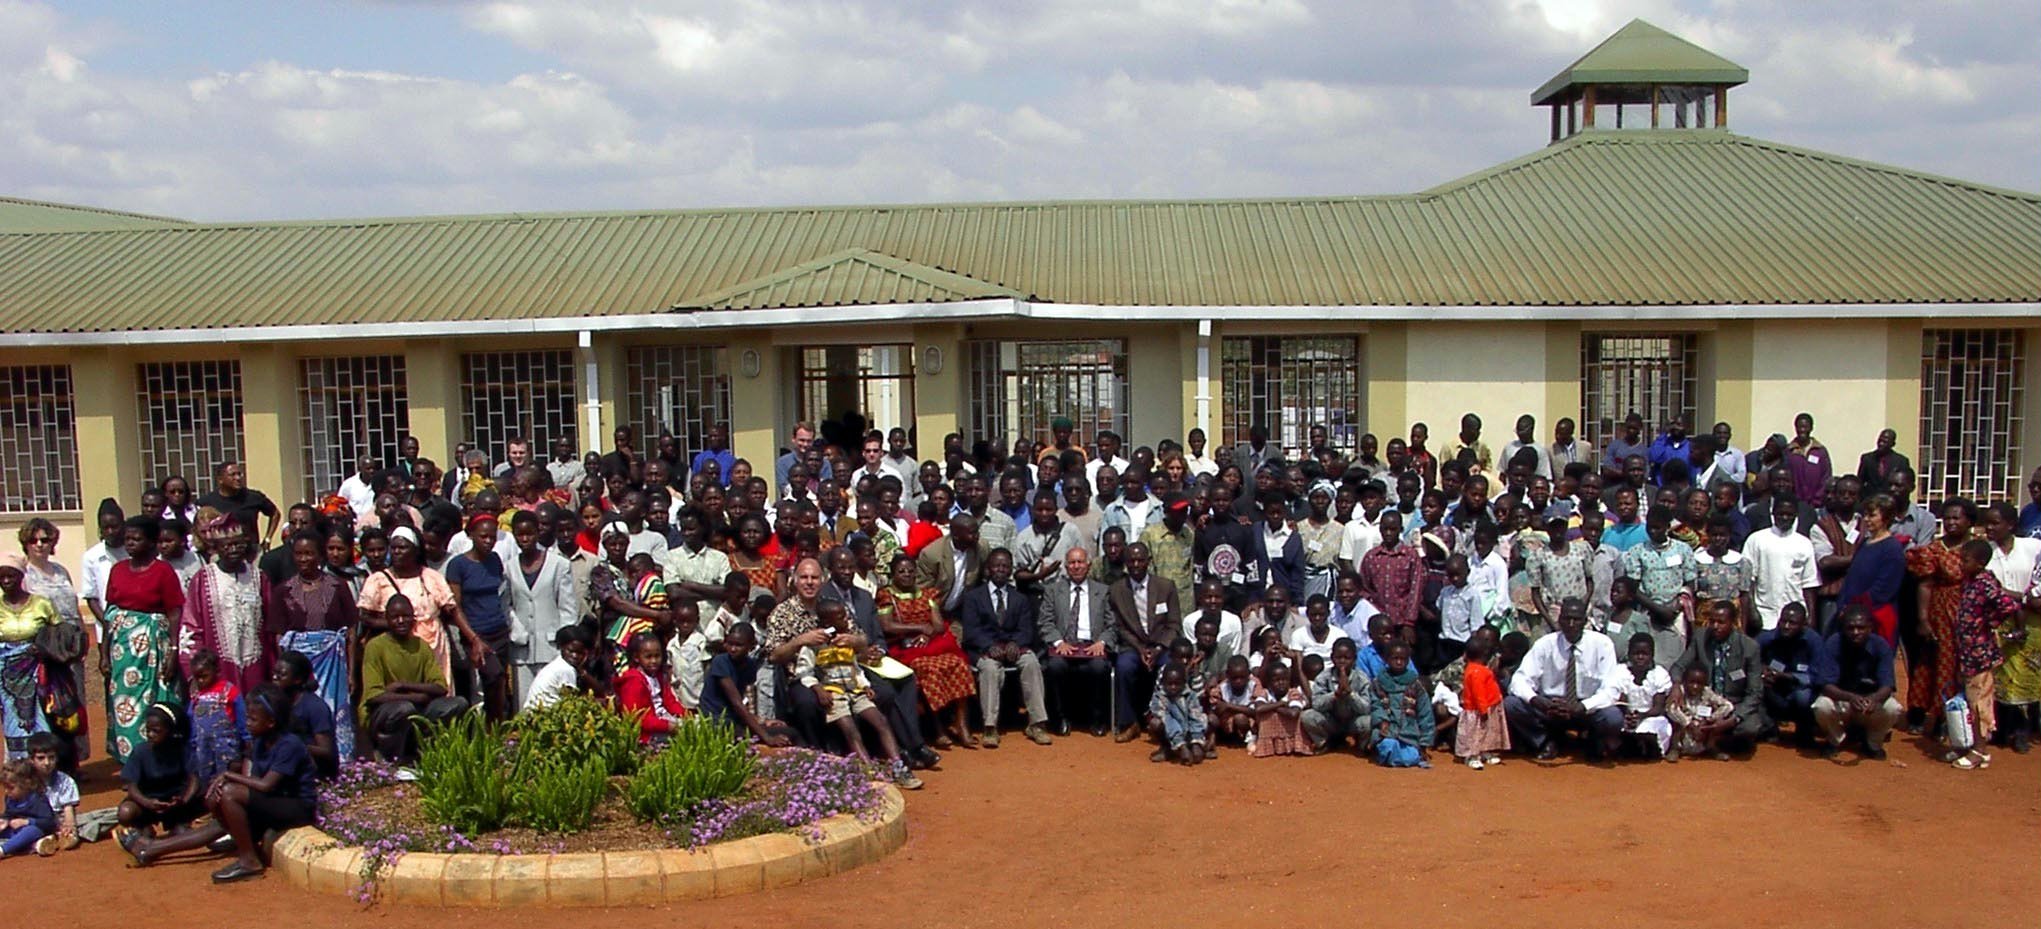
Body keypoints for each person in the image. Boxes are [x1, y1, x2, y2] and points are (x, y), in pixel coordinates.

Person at [125, 684, 318, 883]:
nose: (248, 723)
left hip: (297, 808)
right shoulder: (261, 740)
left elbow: (265, 785)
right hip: (273, 803)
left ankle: (249, 861)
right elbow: (254, 780)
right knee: (218, 804)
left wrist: (227, 776)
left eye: (252, 719)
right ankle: (150, 849)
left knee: (230, 794)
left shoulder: (289, 744)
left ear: (271, 722)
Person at [793, 600, 922, 788]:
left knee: (881, 721)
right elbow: (804, 672)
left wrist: (865, 684)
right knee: (850, 729)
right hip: (833, 693)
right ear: (825, 621)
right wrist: (818, 688)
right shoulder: (813, 645)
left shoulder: (847, 640)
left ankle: (898, 767)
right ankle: (869, 772)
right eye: (840, 617)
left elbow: (855, 667)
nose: (846, 620)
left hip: (855, 690)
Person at [102, 515, 185, 763]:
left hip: (152, 649)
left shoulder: (163, 571)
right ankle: (130, 763)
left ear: (151, 542)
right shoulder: (117, 570)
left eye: (136, 539)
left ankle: (155, 762)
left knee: (153, 705)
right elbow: (110, 614)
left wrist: (172, 651)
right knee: (123, 705)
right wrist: (105, 653)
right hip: (122, 652)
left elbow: (174, 613)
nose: (130, 543)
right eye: (127, 539)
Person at [875, 552, 977, 749]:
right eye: (901, 571)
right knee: (928, 670)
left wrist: (927, 635)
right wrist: (919, 628)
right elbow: (887, 626)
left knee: (959, 664)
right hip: (903, 647)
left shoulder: (927, 593)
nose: (907, 575)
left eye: (910, 571)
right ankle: (937, 728)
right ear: (893, 574)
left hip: (929, 643)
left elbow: (937, 624)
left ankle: (961, 724)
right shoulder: (887, 595)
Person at [1505, 599, 1623, 761]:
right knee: (1512, 704)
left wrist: (1581, 706)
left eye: (1577, 619)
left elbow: (1611, 690)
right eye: (1567, 619)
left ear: (1585, 621)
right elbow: (1519, 680)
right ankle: (1545, 741)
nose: (1571, 624)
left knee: (1613, 716)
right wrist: (1538, 701)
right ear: (1559, 620)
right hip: (1550, 706)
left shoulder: (1602, 644)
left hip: (1586, 708)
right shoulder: (1545, 644)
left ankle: (1593, 742)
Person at [358, 594, 467, 764]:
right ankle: (392, 758)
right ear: (387, 619)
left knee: (457, 703)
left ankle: (425, 752)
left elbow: (440, 687)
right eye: (395, 617)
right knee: (404, 709)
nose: (401, 621)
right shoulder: (376, 647)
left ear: (413, 618)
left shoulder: (420, 646)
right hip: (385, 713)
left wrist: (402, 685)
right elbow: (374, 695)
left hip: (418, 708)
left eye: (406, 616)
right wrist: (416, 696)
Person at [960, 550, 1049, 747]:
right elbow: (971, 631)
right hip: (985, 650)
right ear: (988, 569)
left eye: (1005, 566)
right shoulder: (974, 597)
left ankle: (1037, 723)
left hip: (1013, 648)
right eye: (997, 566)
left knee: (1031, 662)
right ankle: (990, 727)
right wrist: (989, 646)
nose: (1001, 569)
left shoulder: (1019, 598)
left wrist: (1015, 643)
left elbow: (1027, 630)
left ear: (1010, 570)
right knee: (990, 669)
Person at [1949, 539, 2019, 769]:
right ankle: (1972, 745)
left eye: (1965, 561)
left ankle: (1980, 750)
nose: (1960, 564)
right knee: (1970, 700)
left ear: (1979, 563)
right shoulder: (1970, 582)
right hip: (1968, 652)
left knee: (1980, 703)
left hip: (1981, 654)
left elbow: (2010, 606)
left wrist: (2002, 625)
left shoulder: (1984, 584)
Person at [1037, 547, 1115, 736]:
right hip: (1065, 645)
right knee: (1055, 666)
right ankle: (1060, 718)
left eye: (1080, 562)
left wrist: (1102, 643)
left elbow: (1112, 624)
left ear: (1088, 565)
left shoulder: (1103, 591)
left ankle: (1097, 719)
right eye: (1072, 562)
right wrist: (1058, 642)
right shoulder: (1053, 591)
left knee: (1099, 667)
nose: (1076, 566)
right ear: (1066, 566)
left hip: (1092, 645)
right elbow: (1044, 622)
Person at [1107, 542, 1181, 743]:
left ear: (1149, 561)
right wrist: (1140, 649)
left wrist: (1157, 649)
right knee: (1124, 666)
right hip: (1132, 646)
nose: (1136, 564)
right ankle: (1129, 723)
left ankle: (1166, 721)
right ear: (1125, 563)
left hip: (1161, 646)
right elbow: (1119, 627)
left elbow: (1174, 625)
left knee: (1169, 667)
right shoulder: (1116, 590)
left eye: (1141, 560)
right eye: (1131, 561)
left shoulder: (1166, 587)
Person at [1810, 606, 1900, 760]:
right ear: (1843, 628)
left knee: (1893, 708)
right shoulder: (1834, 643)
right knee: (1821, 706)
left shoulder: (1881, 646)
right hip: (1842, 702)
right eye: (1850, 628)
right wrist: (1850, 697)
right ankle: (1836, 740)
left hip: (1869, 704)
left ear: (1870, 628)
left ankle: (1872, 744)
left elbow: (1888, 685)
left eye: (1861, 627)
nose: (1855, 632)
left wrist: (1874, 699)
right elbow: (1825, 685)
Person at [0, 553, 60, 761]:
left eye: (11, 576)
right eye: (2, 577)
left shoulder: (41, 603)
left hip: (38, 671)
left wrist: (42, 648)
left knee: (42, 716)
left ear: (21, 576)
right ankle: (20, 767)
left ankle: (44, 765)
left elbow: (58, 633)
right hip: (5, 675)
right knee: (12, 718)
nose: (6, 581)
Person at [1743, 496, 1819, 632]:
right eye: (1781, 514)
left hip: (1795, 616)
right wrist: (1752, 611)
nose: (1784, 518)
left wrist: (1811, 616)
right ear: (1773, 513)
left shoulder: (1804, 543)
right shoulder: (1756, 540)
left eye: (1789, 515)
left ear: (1796, 515)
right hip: (1765, 615)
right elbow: (1748, 581)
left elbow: (1809, 584)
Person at [1756, 603, 1822, 741]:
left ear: (1804, 625)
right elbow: (1750, 660)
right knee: (1756, 687)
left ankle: (1805, 731)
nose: (1786, 626)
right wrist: (1762, 669)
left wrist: (1787, 677)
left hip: (1799, 689)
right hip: (1774, 688)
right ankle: (1769, 728)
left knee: (1803, 696)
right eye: (1783, 621)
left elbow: (1818, 676)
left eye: (1792, 623)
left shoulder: (1814, 641)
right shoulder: (1767, 638)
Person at [614, 632, 692, 746]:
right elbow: (636, 717)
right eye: (648, 657)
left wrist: (685, 715)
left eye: (657, 656)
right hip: (647, 731)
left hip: (663, 719)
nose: (654, 661)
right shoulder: (633, 681)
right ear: (637, 658)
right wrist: (668, 726)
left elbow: (669, 701)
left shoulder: (658, 675)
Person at [1301, 637, 1371, 755]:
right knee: (1307, 716)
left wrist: (1351, 694)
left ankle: (1361, 745)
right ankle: (1325, 742)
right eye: (1339, 657)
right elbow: (1316, 704)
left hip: (1353, 722)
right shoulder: (1323, 677)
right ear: (1332, 658)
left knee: (1368, 722)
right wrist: (1335, 695)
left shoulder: (1361, 678)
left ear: (1354, 659)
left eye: (1347, 658)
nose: (1342, 661)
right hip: (1332, 721)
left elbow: (1367, 708)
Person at [1610, 633, 1674, 759]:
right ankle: (1634, 746)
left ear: (1652, 655)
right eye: (1636, 654)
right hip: (1627, 716)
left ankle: (1646, 747)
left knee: (1655, 725)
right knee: (1617, 725)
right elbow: (1621, 702)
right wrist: (1629, 717)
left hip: (1650, 716)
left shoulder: (1659, 674)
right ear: (1629, 654)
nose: (1640, 657)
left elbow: (1658, 707)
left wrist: (1641, 716)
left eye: (1645, 654)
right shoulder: (1621, 672)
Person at [1371, 641, 1434, 768]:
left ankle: (1398, 758)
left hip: (1410, 735)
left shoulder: (1415, 684)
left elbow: (1425, 714)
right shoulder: (1378, 683)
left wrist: (1424, 743)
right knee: (1387, 746)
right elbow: (1375, 704)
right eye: (1395, 658)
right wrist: (1382, 721)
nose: (1399, 662)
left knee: (1411, 755)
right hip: (1387, 733)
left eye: (1403, 659)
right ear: (1386, 659)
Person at [1453, 632, 1509, 769]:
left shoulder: (1480, 669)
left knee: (1487, 733)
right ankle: (1471, 756)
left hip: (1489, 706)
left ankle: (1485, 752)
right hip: (1478, 709)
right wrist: (1483, 709)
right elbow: (1478, 693)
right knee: (1474, 734)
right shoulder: (1476, 672)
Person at [195, 461, 282, 548]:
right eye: (232, 475)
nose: (237, 478)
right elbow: (197, 527)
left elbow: (275, 514)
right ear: (220, 479)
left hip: (251, 551)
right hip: (222, 552)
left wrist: (268, 538)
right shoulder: (206, 502)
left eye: (239, 474)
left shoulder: (253, 497)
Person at [1666, 665, 1737, 761]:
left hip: (1703, 729)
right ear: (1684, 681)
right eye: (1691, 682)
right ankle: (1675, 749)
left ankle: (1711, 749)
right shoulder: (1680, 693)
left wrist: (1710, 720)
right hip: (1685, 728)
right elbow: (1671, 709)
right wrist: (1689, 725)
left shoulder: (1707, 693)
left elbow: (1728, 706)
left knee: (1715, 726)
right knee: (1675, 723)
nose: (1695, 686)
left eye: (1699, 683)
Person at [522, 625, 597, 712]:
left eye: (580, 653)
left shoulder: (559, 663)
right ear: (561, 647)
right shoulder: (566, 669)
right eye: (571, 651)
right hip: (543, 714)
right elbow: (570, 703)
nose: (575, 656)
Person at [1249, 660, 1310, 757]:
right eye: (1276, 680)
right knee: (1264, 715)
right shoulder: (1266, 693)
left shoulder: (1293, 693)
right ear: (1269, 682)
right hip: (1273, 723)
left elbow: (1293, 714)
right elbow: (1258, 709)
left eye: (1284, 679)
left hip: (1291, 729)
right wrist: (1280, 704)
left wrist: (1272, 707)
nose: (1281, 683)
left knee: (1270, 713)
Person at [1148, 664, 1205, 765]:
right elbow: (1168, 721)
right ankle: (1166, 749)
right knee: (1155, 723)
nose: (1173, 687)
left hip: (1189, 733)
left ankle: (1200, 747)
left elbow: (1195, 719)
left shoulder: (1190, 696)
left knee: (1205, 718)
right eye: (1169, 684)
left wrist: (1196, 742)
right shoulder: (1158, 698)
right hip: (1171, 734)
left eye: (1177, 684)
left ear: (1184, 683)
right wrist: (1181, 746)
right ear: (1163, 683)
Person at [0, 759, 55, 858]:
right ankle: (34, 845)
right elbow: (9, 814)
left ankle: (3, 850)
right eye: (5, 787)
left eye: (11, 788)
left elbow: (49, 822)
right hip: (15, 830)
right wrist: (4, 820)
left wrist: (27, 822)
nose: (7, 791)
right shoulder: (10, 798)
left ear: (26, 784)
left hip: (36, 830)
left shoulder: (37, 799)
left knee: (31, 831)